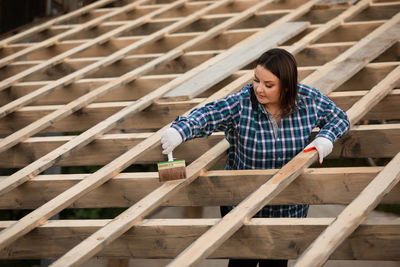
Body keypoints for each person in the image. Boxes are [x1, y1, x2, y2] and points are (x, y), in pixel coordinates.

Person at [161, 48, 350, 267]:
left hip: (287, 207)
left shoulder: (309, 100)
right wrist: (180, 131)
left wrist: (326, 137)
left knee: (276, 264)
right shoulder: (242, 102)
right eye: (256, 80)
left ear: (287, 86)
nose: (259, 89)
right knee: (242, 263)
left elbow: (340, 118)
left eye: (268, 85)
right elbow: (209, 114)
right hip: (242, 203)